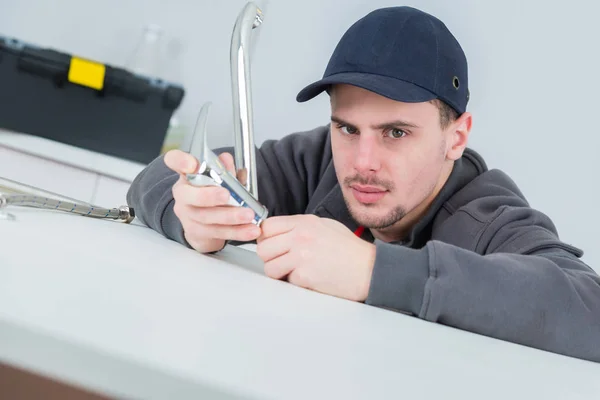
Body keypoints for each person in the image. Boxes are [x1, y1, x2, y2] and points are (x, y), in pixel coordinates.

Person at [126, 6, 600, 363]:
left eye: (396, 132)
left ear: (455, 138)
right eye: (347, 128)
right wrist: (192, 214)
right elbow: (153, 180)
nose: (362, 162)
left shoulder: (486, 217)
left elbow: (590, 313)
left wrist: (374, 271)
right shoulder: (319, 159)